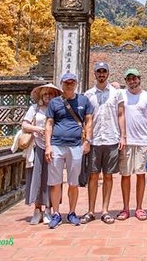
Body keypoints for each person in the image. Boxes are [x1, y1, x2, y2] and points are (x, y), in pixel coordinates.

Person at [44, 72, 93, 229]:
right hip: (57, 145)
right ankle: (56, 214)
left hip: (76, 145)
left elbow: (89, 122)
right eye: (66, 83)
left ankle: (72, 212)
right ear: (61, 84)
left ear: (76, 84)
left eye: (72, 83)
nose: (69, 85)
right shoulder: (54, 103)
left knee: (73, 182)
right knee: (56, 182)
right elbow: (49, 124)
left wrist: (87, 141)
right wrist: (48, 145)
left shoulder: (84, 101)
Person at [81, 62, 126, 224]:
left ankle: (105, 210)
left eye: (104, 71)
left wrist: (123, 136)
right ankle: (91, 210)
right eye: (98, 72)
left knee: (108, 176)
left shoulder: (116, 93)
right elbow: (86, 119)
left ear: (108, 74)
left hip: (111, 138)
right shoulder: (88, 95)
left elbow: (121, 115)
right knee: (93, 176)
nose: (101, 74)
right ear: (94, 74)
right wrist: (86, 139)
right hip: (94, 140)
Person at [117, 68, 147, 221]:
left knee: (141, 174)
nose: (132, 81)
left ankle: (139, 207)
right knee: (125, 175)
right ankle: (126, 208)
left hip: (141, 140)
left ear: (139, 79)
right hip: (126, 140)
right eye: (129, 79)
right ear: (126, 81)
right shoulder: (121, 94)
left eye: (134, 78)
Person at [22, 82, 61, 225]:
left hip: (54, 146)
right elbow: (24, 125)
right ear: (41, 96)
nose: (48, 97)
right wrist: (37, 129)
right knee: (36, 177)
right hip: (37, 146)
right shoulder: (35, 108)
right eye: (45, 94)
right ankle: (37, 209)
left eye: (51, 94)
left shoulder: (58, 108)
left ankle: (48, 209)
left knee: (52, 178)